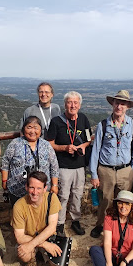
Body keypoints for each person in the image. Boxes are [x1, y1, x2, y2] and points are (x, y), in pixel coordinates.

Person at [90, 90, 133, 239]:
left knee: (124, 202)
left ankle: (120, 225)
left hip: (125, 170)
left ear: (127, 107)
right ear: (112, 104)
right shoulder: (103, 125)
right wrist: (94, 173)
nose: (119, 106)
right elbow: (96, 150)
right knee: (105, 200)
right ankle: (100, 225)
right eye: (117, 102)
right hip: (106, 170)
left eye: (123, 104)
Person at [46, 91, 92, 236]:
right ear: (65, 104)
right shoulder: (56, 122)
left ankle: (75, 220)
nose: (73, 105)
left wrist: (82, 147)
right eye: (69, 102)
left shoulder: (83, 119)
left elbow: (89, 139)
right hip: (63, 166)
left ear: (79, 105)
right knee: (63, 196)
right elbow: (49, 144)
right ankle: (59, 223)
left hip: (79, 165)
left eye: (75, 102)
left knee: (78, 194)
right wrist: (65, 148)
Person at [12, 171, 70, 266]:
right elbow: (19, 237)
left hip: (49, 237)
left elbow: (52, 227)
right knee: (24, 254)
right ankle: (32, 259)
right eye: (32, 188)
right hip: (31, 238)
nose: (35, 192)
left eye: (39, 188)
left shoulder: (52, 199)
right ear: (26, 187)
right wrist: (45, 245)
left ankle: (42, 256)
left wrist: (39, 244)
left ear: (45, 189)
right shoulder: (19, 206)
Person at [1, 116, 59, 206]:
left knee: (39, 215)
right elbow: (5, 162)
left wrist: (54, 185)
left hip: (40, 191)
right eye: (29, 127)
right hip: (17, 189)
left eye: (36, 128)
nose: (32, 131)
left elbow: (54, 165)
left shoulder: (46, 145)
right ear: (24, 129)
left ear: (41, 130)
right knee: (19, 215)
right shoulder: (15, 143)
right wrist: (4, 181)